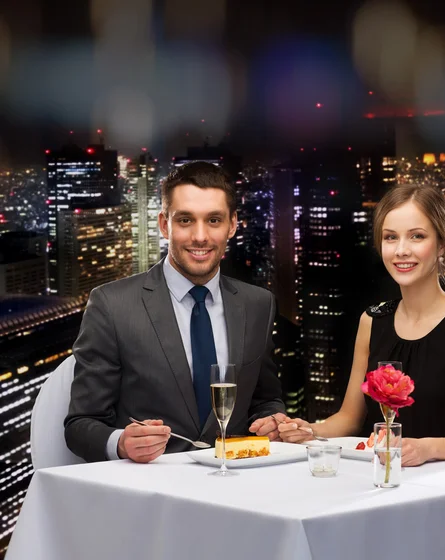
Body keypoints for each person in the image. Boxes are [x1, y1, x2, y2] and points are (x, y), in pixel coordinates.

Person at [65, 162, 287, 463]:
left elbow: (265, 400)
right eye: (185, 220)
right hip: (150, 496)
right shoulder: (112, 305)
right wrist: (120, 443)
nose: (200, 236)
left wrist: (273, 421)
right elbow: (80, 425)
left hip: (238, 489)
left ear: (232, 225)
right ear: (164, 224)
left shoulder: (259, 304)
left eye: (213, 220)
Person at [278, 183, 445, 466]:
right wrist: (309, 431)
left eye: (417, 237)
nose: (401, 250)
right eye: (390, 238)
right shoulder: (371, 321)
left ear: (442, 246)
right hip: (381, 479)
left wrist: (425, 449)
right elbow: (349, 419)